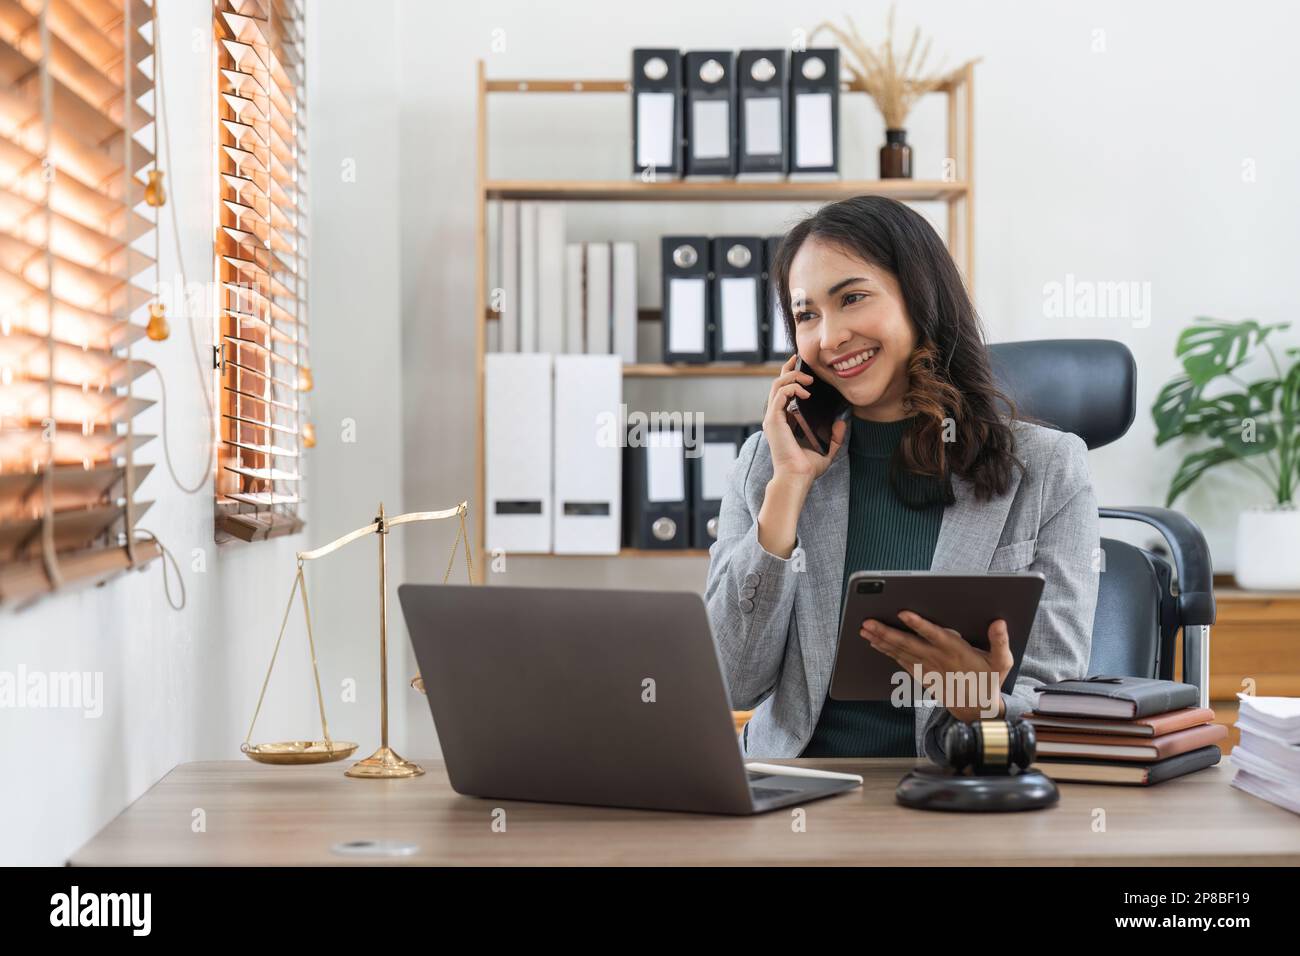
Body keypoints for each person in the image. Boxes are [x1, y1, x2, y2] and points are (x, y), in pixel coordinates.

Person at [704, 195, 1100, 761]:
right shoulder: (766, 463)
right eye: (806, 314)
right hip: (797, 792)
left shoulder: (1048, 468)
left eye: (853, 298)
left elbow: (1055, 695)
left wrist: (980, 701)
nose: (830, 337)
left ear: (919, 297)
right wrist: (789, 487)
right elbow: (731, 682)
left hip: (958, 789)